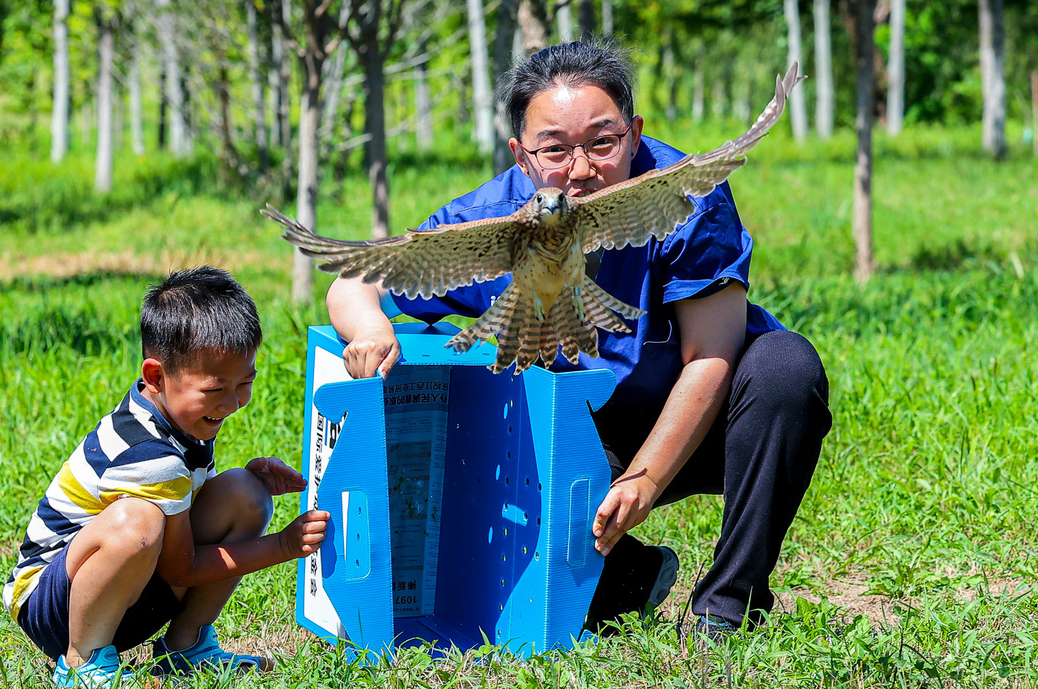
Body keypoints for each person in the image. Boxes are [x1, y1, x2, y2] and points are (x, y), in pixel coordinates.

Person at [325, 40, 831, 641]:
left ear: (635, 133)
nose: (582, 168)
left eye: (603, 141)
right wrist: (373, 328)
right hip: (572, 436)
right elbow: (356, 279)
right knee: (547, 606)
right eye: (555, 149)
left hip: (712, 417)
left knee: (784, 367)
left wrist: (644, 479)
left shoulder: (683, 193)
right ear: (521, 155)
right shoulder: (493, 217)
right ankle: (627, 576)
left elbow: (712, 356)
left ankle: (728, 605)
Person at [3, 266, 330, 689]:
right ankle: (81, 663)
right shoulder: (147, 452)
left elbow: (185, 512)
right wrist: (283, 546)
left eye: (245, 383)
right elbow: (182, 566)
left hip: (126, 595)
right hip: (55, 607)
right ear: (157, 376)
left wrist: (251, 479)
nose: (233, 403)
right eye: (216, 390)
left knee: (244, 494)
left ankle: (186, 647)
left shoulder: (179, 415)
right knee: (137, 522)